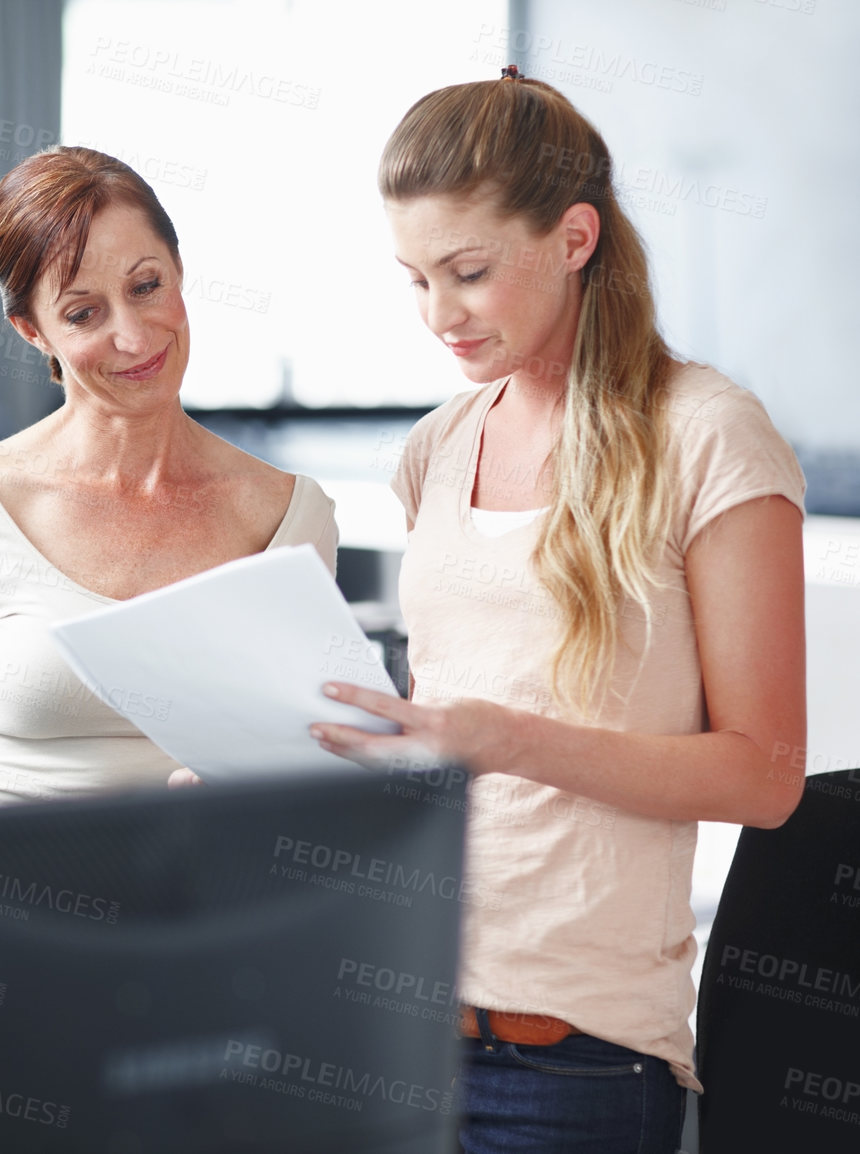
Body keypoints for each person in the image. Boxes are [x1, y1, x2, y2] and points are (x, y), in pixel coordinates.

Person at [306, 71, 806, 1151]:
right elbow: (432, 736)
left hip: (570, 1054)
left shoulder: (708, 435)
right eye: (416, 280)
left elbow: (763, 776)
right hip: (391, 1015)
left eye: (469, 273)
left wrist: (504, 739)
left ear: (574, 236)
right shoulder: (437, 446)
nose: (440, 314)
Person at [0, 146, 338, 816]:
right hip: (18, 914)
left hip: (219, 915)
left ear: (178, 272)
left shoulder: (293, 516)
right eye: (84, 313)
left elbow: (313, 781)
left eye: (147, 287)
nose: (134, 337)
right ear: (33, 332)